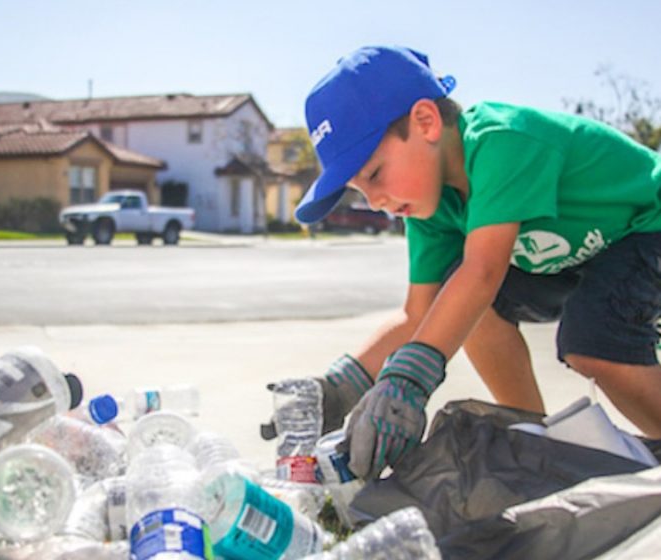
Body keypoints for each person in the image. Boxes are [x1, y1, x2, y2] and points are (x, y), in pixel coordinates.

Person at [269, 45, 661, 481]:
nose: (376, 202)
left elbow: (484, 271)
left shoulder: (503, 140)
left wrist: (410, 380)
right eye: (360, 191)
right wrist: (340, 388)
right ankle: (534, 442)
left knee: (593, 341)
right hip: (583, 257)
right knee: (465, 305)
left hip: (648, 225)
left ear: (426, 122)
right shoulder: (429, 208)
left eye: (375, 174)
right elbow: (420, 314)